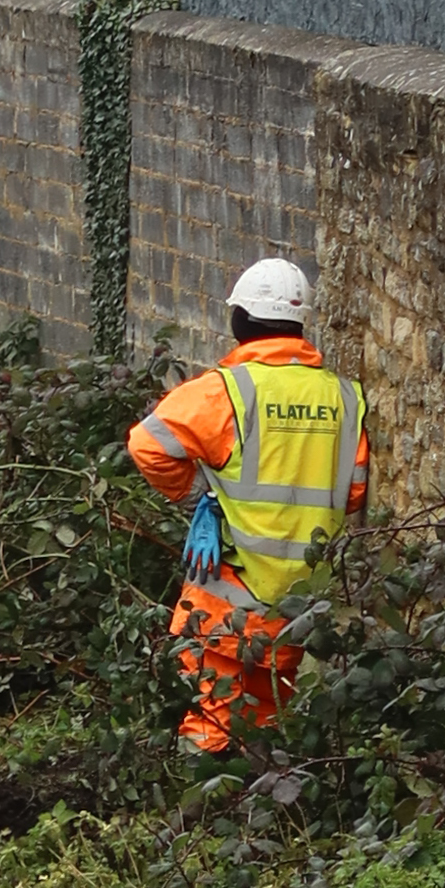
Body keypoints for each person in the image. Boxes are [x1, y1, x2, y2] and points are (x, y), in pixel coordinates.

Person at [125, 256, 367, 758]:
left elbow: (148, 445)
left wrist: (205, 498)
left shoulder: (228, 393)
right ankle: (268, 816)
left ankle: (204, 817)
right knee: (268, 720)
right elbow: (354, 491)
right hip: (301, 602)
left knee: (213, 718)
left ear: (240, 321)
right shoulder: (345, 399)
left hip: (230, 596)